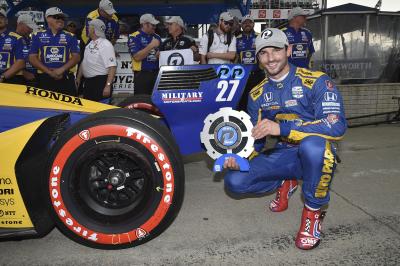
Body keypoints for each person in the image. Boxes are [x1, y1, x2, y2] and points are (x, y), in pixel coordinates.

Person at [223, 28, 347, 250]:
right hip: (284, 154)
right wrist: (239, 156)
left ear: (288, 50)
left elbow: (336, 125)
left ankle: (312, 212)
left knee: (315, 146)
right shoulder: (257, 94)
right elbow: (256, 140)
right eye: (263, 53)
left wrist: (283, 128)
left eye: (276, 50)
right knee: (234, 181)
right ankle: (285, 180)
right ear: (258, 58)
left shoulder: (317, 80)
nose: (270, 58)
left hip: (314, 154)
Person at [29, 7, 80, 96]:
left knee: (68, 108)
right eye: (57, 17)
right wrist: (49, 72)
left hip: (65, 77)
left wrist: (61, 70)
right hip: (44, 78)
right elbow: (32, 58)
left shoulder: (71, 36)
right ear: (48, 18)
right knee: (44, 107)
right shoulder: (37, 35)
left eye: (62, 18)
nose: (61, 20)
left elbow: (76, 57)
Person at [77, 19, 116, 102]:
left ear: (93, 29)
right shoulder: (89, 43)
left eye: (89, 27)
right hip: (88, 83)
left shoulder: (106, 44)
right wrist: (78, 78)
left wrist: (108, 85)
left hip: (101, 83)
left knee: (102, 111)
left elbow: (112, 67)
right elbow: (84, 62)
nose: (87, 28)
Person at [236, 14, 265, 110]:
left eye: (249, 22)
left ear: (253, 24)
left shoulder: (260, 37)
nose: (247, 24)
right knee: (242, 101)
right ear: (241, 25)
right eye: (244, 23)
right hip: (242, 76)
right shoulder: (236, 39)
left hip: (257, 74)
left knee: (259, 100)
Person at [127, 13, 161, 95]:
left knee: (155, 101)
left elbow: (161, 56)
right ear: (145, 24)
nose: (155, 27)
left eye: (155, 25)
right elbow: (137, 57)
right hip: (141, 74)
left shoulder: (157, 37)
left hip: (157, 73)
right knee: (141, 101)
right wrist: (151, 46)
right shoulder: (134, 36)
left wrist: (159, 55)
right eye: (153, 25)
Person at [0, 9, 26, 84]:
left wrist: (2, 77)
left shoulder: (16, 38)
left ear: (6, 21)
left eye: (1, 17)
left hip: (11, 80)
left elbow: (21, 62)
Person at [16, 13, 40, 86]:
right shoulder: (10, 39)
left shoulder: (30, 40)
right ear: (20, 24)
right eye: (29, 27)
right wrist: (23, 72)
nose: (31, 29)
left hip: (34, 79)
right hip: (17, 80)